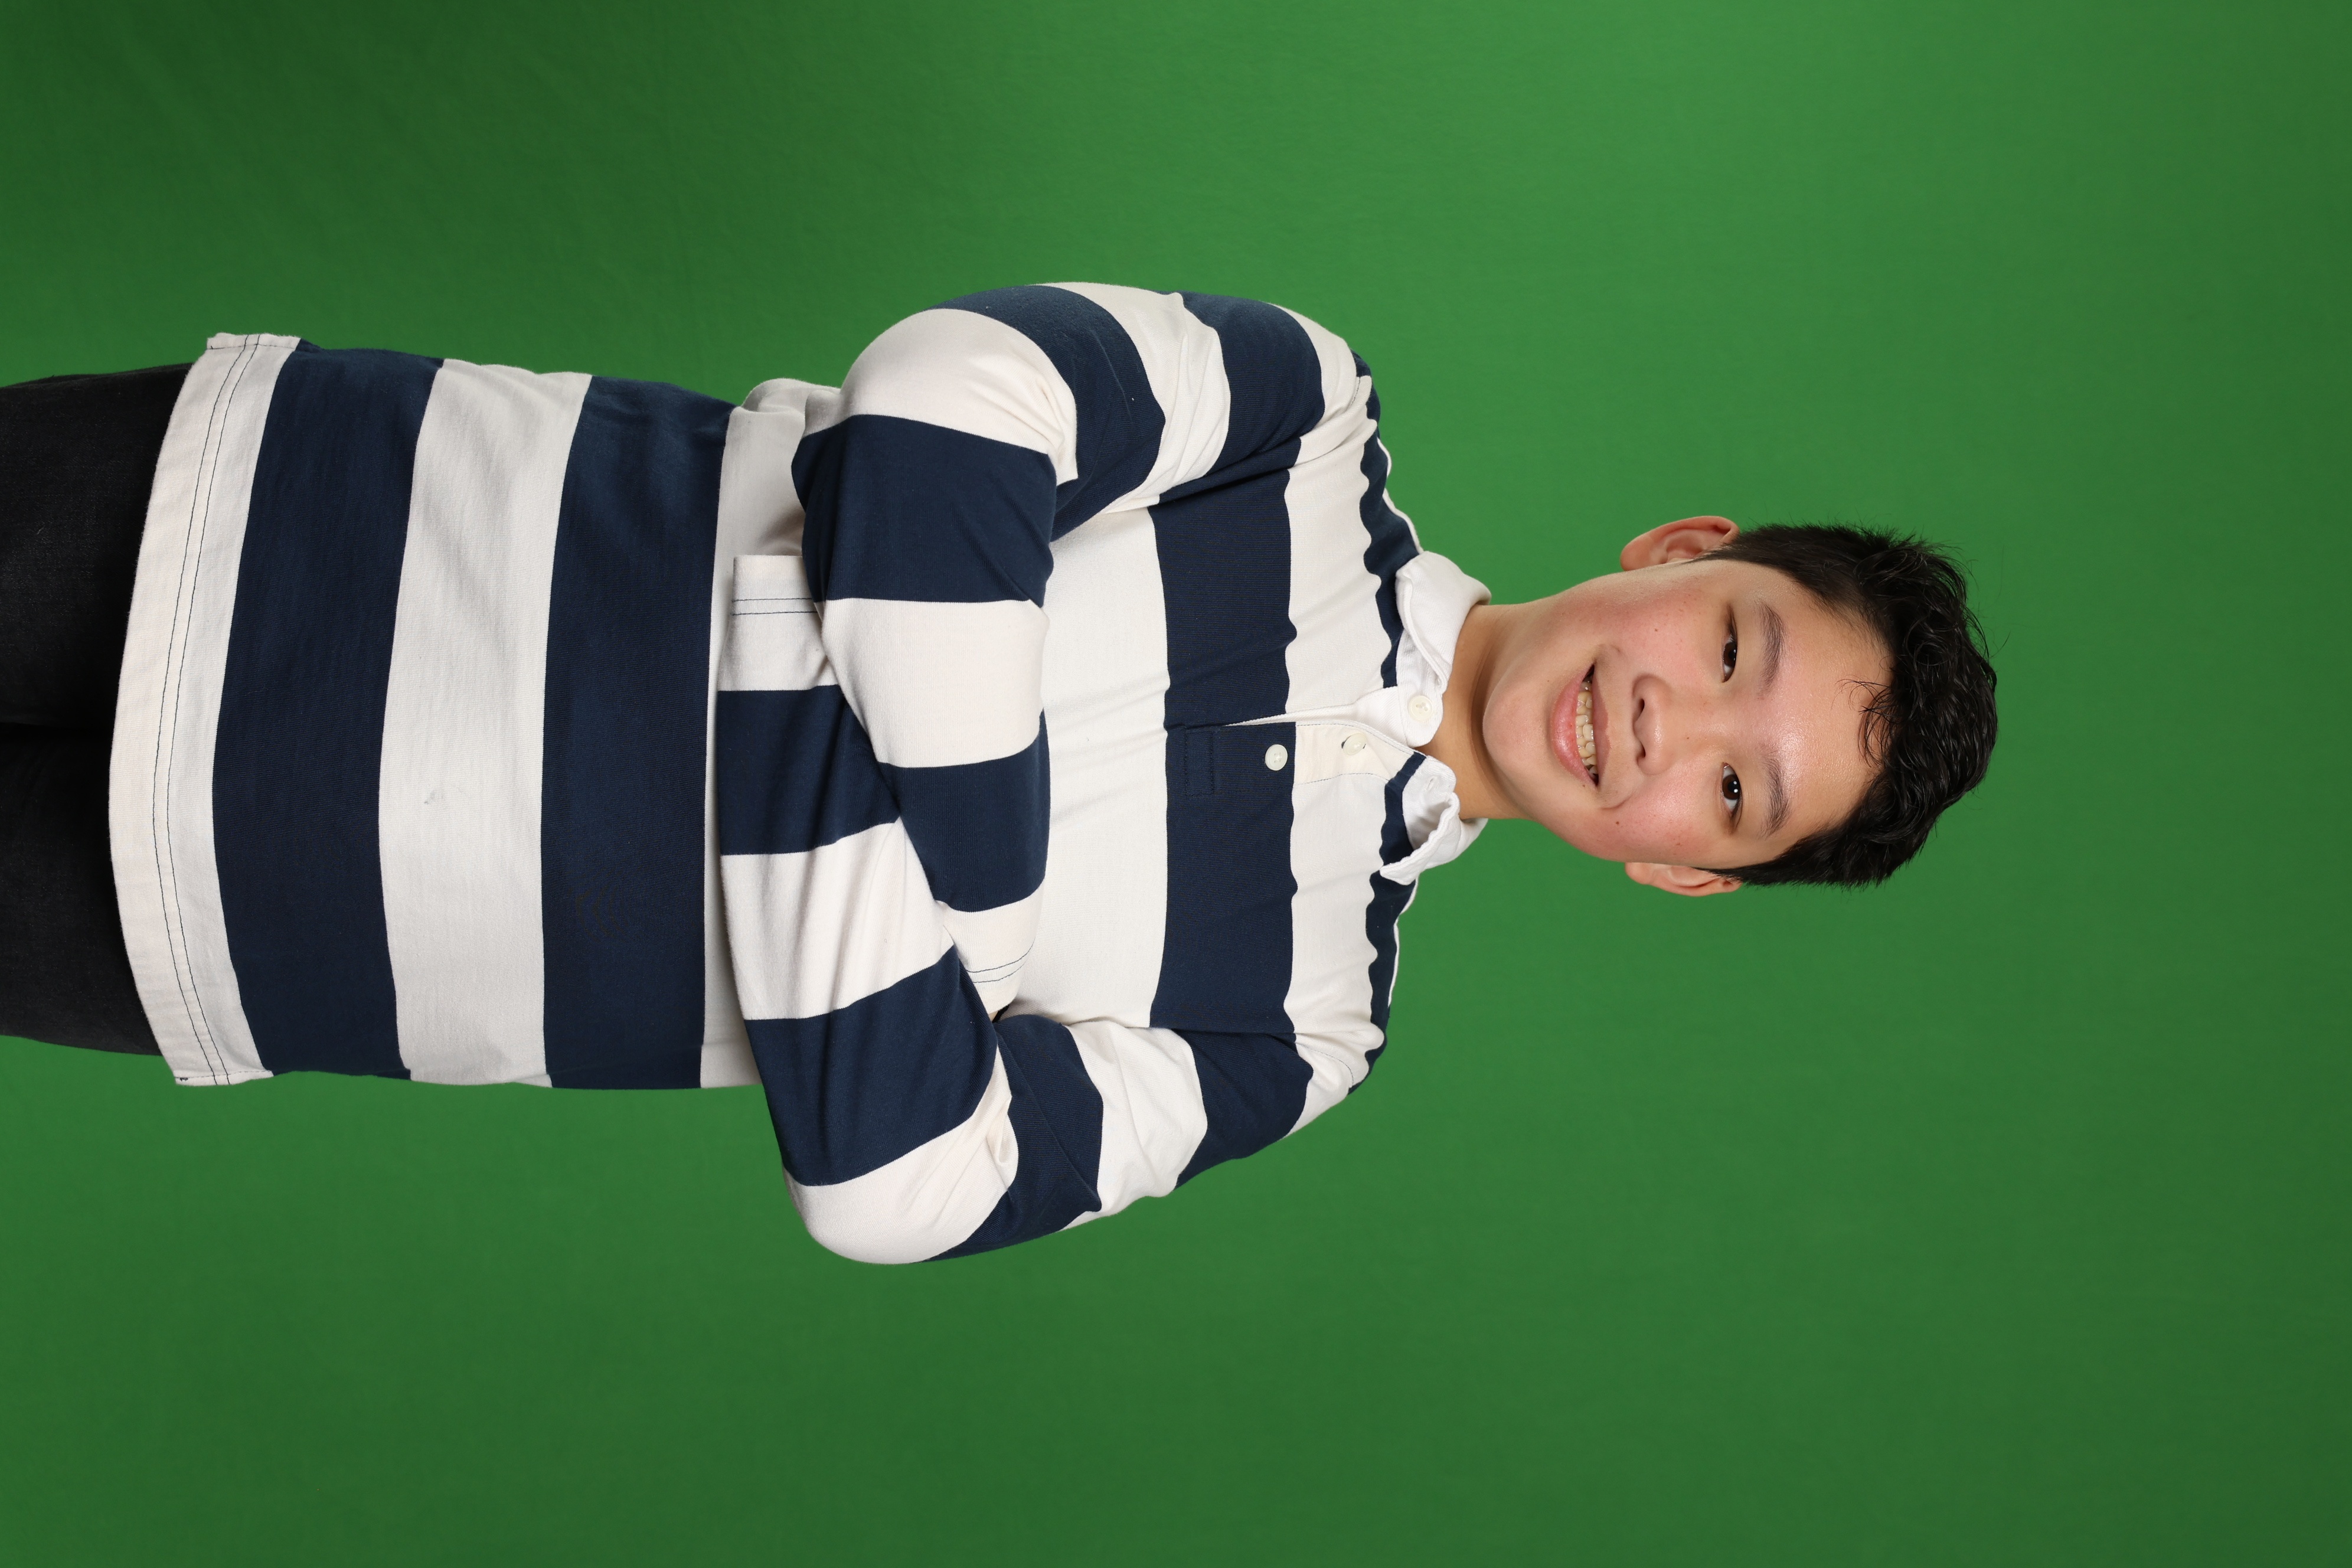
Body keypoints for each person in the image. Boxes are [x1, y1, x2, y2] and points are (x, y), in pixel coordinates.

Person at [0, 284, 1998, 1261]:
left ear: (1683, 872)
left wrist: (813, 610)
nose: (1668, 727)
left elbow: (895, 1185)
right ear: (1684, 553)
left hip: (263, 924)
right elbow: (952, 392)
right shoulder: (1305, 423)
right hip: (294, 515)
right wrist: (948, 908)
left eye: (1736, 795)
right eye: (1731, 649)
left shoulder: (1304, 1031)